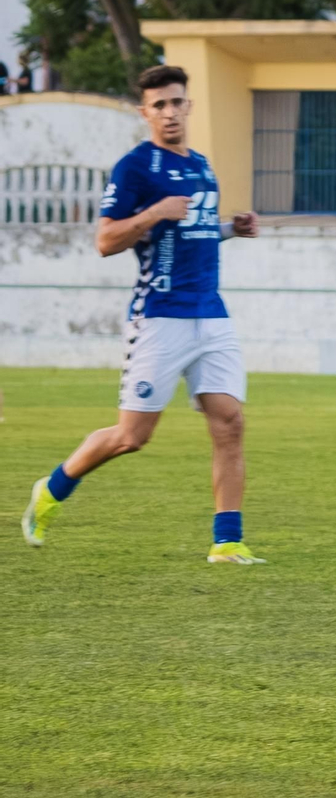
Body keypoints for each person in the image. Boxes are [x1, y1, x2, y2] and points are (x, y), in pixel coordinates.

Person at [20, 65, 263, 562]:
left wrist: (232, 229)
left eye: (177, 102)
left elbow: (192, 230)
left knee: (229, 422)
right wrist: (154, 212)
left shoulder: (201, 165)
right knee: (132, 436)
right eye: (159, 105)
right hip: (159, 315)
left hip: (210, 314)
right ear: (145, 113)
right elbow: (105, 240)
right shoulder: (134, 168)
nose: (170, 112)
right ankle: (52, 489)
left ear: (188, 106)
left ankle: (227, 543)